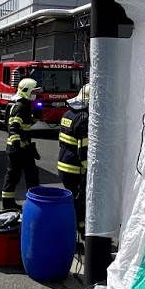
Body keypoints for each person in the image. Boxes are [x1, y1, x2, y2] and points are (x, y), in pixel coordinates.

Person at [2, 77, 42, 210]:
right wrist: (17, 145)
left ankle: (32, 201)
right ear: (26, 91)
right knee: (15, 175)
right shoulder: (20, 106)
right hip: (18, 149)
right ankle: (8, 204)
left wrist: (37, 114)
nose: (35, 95)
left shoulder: (25, 105)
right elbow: (13, 127)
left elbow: (27, 123)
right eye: (33, 92)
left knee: (31, 174)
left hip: (23, 148)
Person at [57, 83, 90, 241]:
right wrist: (89, 170)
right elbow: (83, 151)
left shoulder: (68, 114)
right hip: (76, 169)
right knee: (80, 202)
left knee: (72, 202)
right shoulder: (84, 119)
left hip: (64, 165)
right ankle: (78, 236)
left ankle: (76, 234)